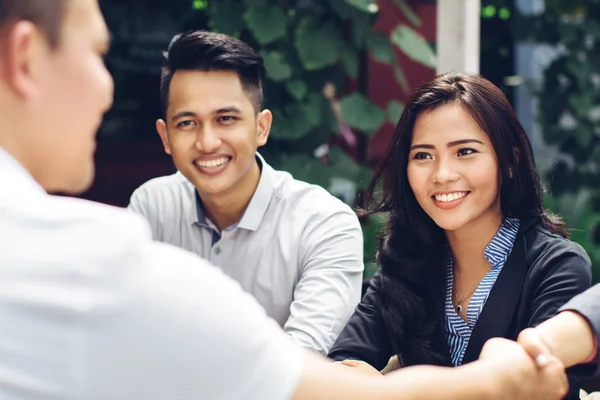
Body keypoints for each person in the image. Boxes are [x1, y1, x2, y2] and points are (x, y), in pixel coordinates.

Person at [0, 0, 570, 398]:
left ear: (263, 125)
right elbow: (316, 374)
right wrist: (499, 379)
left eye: (466, 151)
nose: (107, 88)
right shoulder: (100, 244)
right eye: (422, 155)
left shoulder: (322, 224)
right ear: (26, 57)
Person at [328, 73, 592, 399]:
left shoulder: (556, 265)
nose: (442, 175)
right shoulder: (405, 260)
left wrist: (386, 387)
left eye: (465, 152)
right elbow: (339, 372)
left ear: (510, 161)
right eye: (423, 155)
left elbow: (535, 389)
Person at [127, 30, 363, 354]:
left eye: (226, 118)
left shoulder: (323, 225)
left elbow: (300, 363)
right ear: (165, 136)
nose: (207, 141)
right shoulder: (152, 208)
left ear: (261, 127)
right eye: (187, 123)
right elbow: (128, 335)